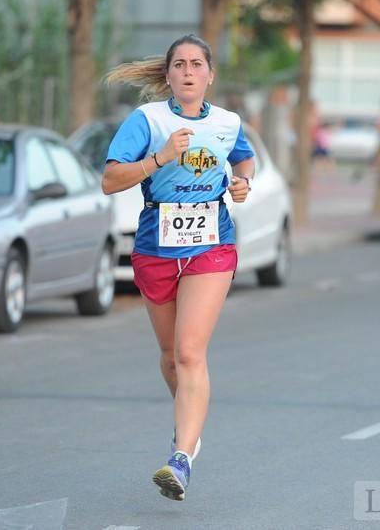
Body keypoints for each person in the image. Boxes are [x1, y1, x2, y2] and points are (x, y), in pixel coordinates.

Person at [102, 34, 254, 501]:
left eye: (196, 64)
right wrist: (159, 158)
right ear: (167, 75)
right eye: (179, 65)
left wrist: (242, 183)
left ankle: (181, 458)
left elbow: (244, 161)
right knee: (171, 357)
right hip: (155, 246)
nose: (188, 72)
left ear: (210, 75)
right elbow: (110, 180)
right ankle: (188, 426)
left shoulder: (228, 123)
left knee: (190, 353)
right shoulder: (146, 120)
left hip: (213, 244)